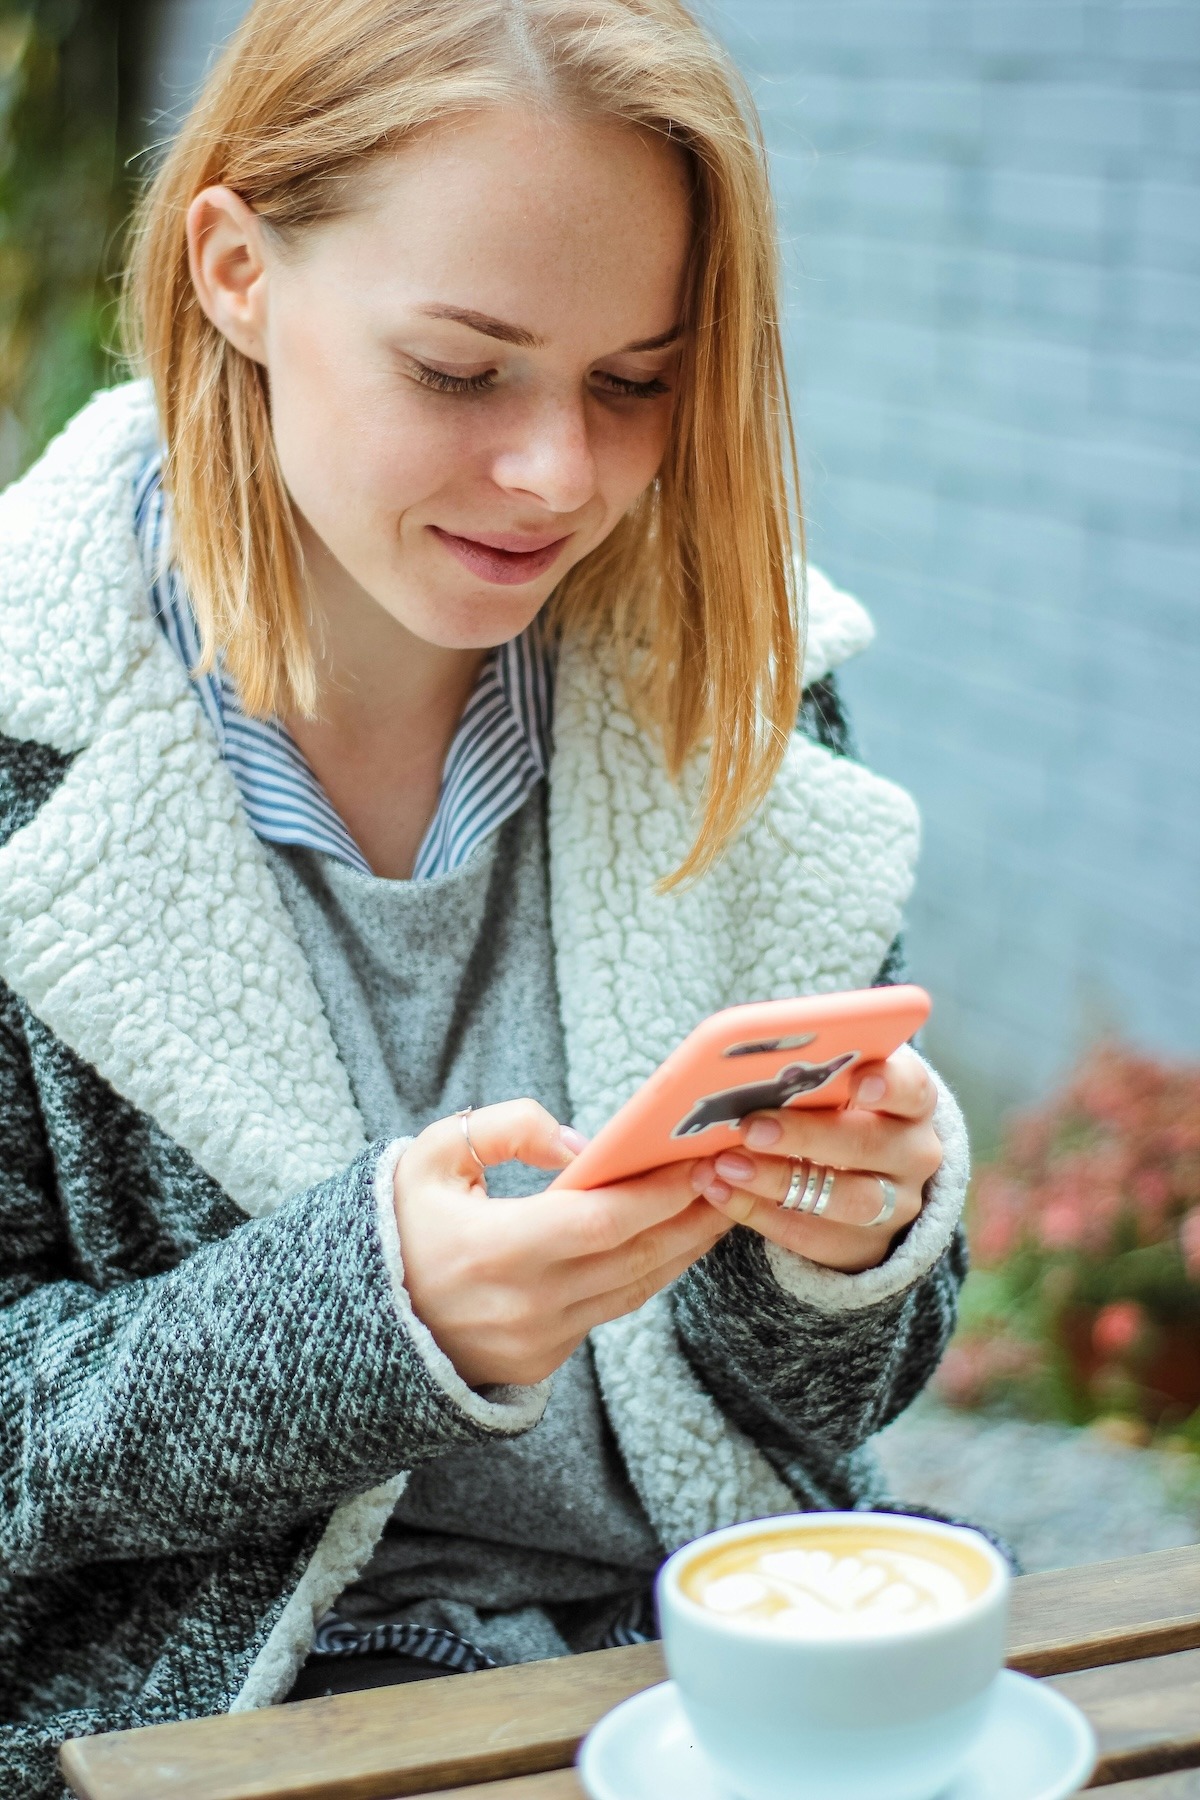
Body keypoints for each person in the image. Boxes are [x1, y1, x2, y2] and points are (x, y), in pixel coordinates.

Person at [0, 0, 971, 1790]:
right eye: (461, 371)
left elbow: (842, 1404)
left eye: (636, 382)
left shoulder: (744, 688)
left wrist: (840, 1259)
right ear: (235, 273)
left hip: (707, 1661)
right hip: (235, 1726)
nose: (558, 477)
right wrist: (365, 1326)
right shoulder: (19, 743)